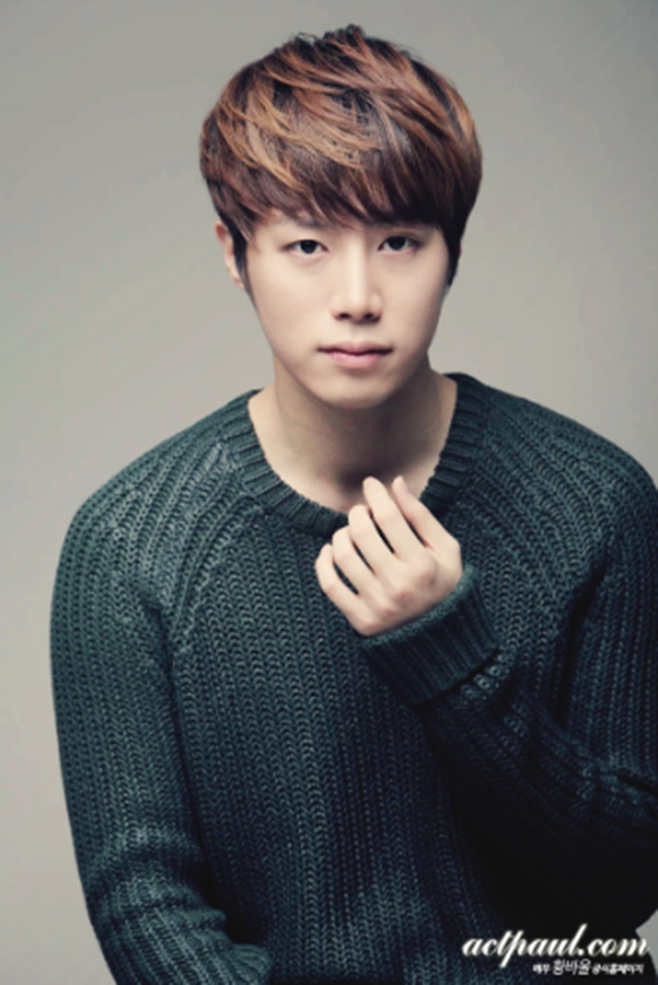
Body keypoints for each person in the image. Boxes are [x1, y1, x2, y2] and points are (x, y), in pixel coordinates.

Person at [51, 25, 658, 984]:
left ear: (452, 251)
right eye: (306, 244)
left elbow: (623, 889)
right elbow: (145, 902)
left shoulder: (595, 503)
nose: (358, 295)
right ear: (234, 253)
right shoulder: (130, 545)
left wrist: (452, 658)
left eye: (399, 241)